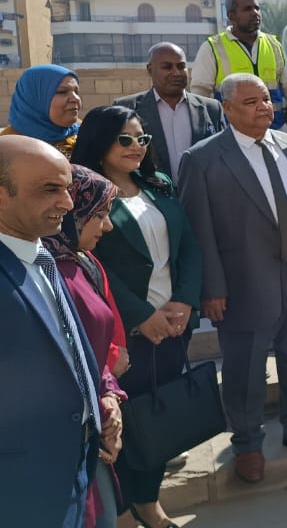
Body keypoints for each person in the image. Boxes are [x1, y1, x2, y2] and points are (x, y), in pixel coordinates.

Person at [178, 74, 287, 484]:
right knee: (246, 365)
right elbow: (198, 232)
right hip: (246, 277)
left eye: (266, 99)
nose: (263, 107)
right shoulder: (203, 159)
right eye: (251, 102)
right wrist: (211, 288)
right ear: (227, 109)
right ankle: (248, 443)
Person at [71, 105, 203, 528]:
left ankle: (149, 501)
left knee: (158, 418)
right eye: (124, 139)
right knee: (125, 424)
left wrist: (185, 301)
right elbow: (91, 265)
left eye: (142, 139)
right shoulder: (86, 192)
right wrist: (141, 315)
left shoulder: (158, 183)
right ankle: (126, 508)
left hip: (174, 324)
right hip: (126, 333)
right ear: (101, 142)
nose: (136, 147)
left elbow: (188, 245)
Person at [0, 135, 101, 528]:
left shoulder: (39, 253)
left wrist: (97, 403)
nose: (68, 203)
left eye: (67, 188)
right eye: (49, 190)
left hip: (69, 472)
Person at [48, 165, 128, 528]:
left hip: (94, 423)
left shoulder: (79, 260)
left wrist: (109, 394)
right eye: (99, 215)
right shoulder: (45, 271)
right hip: (63, 438)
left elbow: (88, 347)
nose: (107, 226)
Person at [190, 0, 287, 137]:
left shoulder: (273, 44)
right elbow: (200, 94)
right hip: (232, 135)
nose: (255, 13)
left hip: (275, 130)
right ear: (231, 15)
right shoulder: (213, 47)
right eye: (247, 9)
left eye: (257, 8)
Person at [114, 42, 225, 179]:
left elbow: (222, 154)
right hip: (150, 190)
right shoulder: (127, 107)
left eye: (181, 66)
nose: (176, 73)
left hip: (202, 190)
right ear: (150, 70)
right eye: (167, 67)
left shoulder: (212, 108)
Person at [2, 63, 82, 157]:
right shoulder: (7, 148)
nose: (75, 98)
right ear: (34, 98)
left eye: (76, 92)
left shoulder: (86, 131)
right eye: (62, 92)